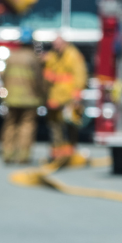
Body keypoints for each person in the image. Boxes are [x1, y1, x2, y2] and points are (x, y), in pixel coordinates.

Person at [0, 29, 43, 164]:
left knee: (10, 124)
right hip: (29, 99)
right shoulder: (33, 58)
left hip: (11, 99)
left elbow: (3, 76)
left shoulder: (11, 56)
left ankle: (7, 154)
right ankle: (23, 156)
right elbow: (39, 80)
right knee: (26, 126)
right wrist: (42, 95)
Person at [43, 34, 88, 162]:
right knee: (54, 124)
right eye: (54, 44)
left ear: (65, 43)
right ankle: (57, 152)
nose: (55, 46)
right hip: (54, 96)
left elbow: (80, 75)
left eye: (58, 44)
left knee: (70, 123)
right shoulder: (52, 56)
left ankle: (69, 151)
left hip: (69, 96)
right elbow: (47, 72)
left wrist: (77, 94)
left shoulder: (73, 55)